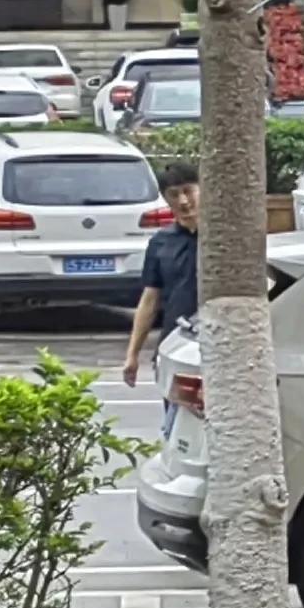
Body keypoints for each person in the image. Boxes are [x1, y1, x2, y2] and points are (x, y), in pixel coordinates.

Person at [120, 161, 202, 417]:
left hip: (214, 344)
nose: (183, 201)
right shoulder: (161, 243)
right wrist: (133, 354)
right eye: (174, 195)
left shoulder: (225, 238)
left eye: (188, 191)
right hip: (175, 344)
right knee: (175, 423)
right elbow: (149, 300)